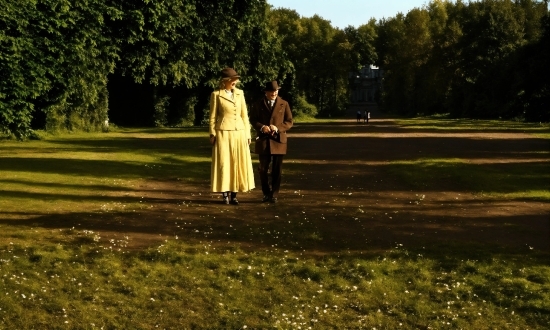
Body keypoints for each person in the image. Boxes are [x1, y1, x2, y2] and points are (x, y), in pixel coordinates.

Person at [209, 67, 255, 205]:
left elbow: (244, 116)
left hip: (239, 132)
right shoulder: (216, 94)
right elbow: (212, 117)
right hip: (223, 132)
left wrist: (247, 134)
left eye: (236, 79)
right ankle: (225, 194)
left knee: (237, 162)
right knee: (225, 162)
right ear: (225, 81)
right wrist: (212, 133)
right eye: (232, 79)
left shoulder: (240, 94)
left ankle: (235, 195)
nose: (235, 81)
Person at [250, 81, 293, 203]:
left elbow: (289, 121)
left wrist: (278, 128)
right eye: (271, 91)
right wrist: (262, 127)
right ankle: (266, 192)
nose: (274, 93)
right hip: (263, 140)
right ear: (266, 92)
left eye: (276, 91)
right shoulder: (258, 104)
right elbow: (253, 119)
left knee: (277, 169)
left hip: (279, 140)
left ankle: (274, 194)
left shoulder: (284, 104)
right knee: (262, 169)